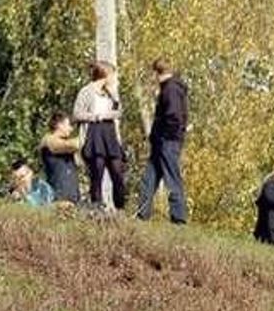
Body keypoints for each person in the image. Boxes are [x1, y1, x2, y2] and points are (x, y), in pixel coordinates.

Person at [135, 58, 189, 225]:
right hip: (163, 142)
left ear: (156, 73)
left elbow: (174, 117)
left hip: (167, 142)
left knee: (172, 179)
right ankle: (142, 214)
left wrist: (164, 136)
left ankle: (178, 218)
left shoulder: (171, 90)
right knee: (148, 179)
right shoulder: (170, 89)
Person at [72, 61, 127, 211]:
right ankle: (97, 209)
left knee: (118, 173)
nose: (114, 78)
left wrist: (110, 109)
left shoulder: (110, 92)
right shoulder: (86, 91)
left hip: (110, 135)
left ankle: (120, 209)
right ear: (105, 75)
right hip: (94, 134)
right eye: (112, 75)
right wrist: (95, 116)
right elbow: (77, 114)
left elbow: (119, 111)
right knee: (97, 174)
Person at [39, 111, 80, 204]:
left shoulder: (68, 147)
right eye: (68, 125)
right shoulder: (48, 140)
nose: (71, 129)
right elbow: (65, 145)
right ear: (59, 125)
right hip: (59, 197)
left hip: (73, 198)